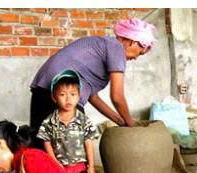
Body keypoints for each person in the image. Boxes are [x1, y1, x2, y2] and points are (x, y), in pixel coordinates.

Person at [28, 18, 156, 129]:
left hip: (42, 90)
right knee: (71, 146)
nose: (136, 58)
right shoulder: (117, 48)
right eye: (140, 53)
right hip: (62, 93)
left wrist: (120, 121)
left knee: (40, 144)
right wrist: (131, 124)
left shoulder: (104, 46)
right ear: (133, 42)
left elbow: (92, 96)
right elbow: (117, 97)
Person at [37, 70, 101, 173]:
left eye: (73, 94)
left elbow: (88, 143)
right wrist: (55, 163)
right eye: (62, 94)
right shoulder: (49, 122)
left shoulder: (84, 120)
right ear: (54, 97)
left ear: (79, 96)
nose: (68, 99)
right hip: (60, 168)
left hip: (80, 168)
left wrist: (91, 166)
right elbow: (46, 143)